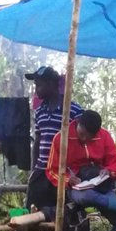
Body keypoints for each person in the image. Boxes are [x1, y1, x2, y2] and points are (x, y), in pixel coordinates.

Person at [25, 66, 83, 212]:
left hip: (63, 173)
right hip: (41, 171)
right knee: (34, 216)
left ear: (52, 84)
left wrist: (75, 172)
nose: (37, 89)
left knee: (64, 217)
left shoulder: (74, 110)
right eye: (36, 85)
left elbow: (82, 143)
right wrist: (33, 170)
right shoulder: (39, 112)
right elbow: (38, 142)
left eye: (40, 85)